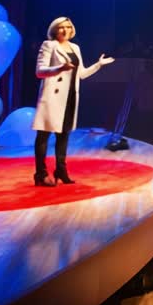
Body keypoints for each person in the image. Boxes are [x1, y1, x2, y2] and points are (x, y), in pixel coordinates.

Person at [32, 17, 114, 186]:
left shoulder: (75, 47)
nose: (65, 30)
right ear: (54, 30)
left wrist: (98, 65)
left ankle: (60, 170)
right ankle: (40, 174)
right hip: (52, 97)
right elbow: (40, 72)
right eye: (61, 27)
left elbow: (81, 74)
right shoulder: (49, 45)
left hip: (69, 96)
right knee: (43, 136)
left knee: (64, 136)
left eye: (68, 27)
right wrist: (59, 68)